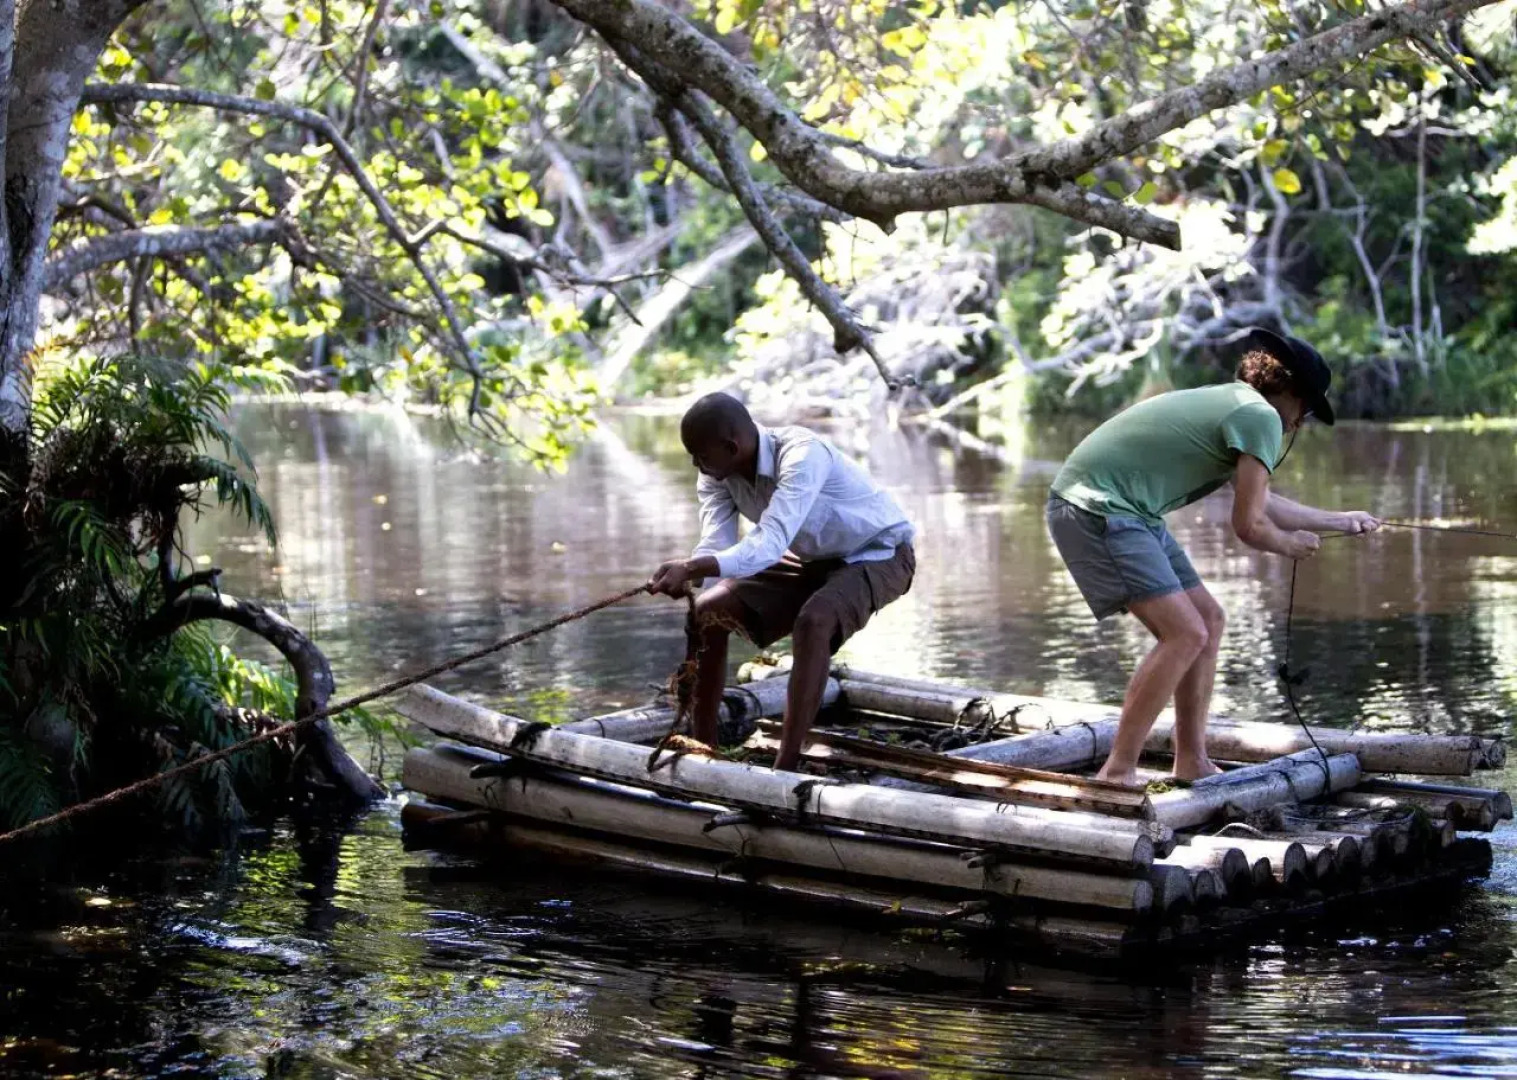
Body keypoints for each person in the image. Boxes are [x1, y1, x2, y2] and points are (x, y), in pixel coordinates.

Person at [1045, 328, 1380, 786]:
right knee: (1184, 633)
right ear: (1293, 392)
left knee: (1208, 618)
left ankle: (1192, 760)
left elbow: (1265, 503)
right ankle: (1117, 771)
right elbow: (1251, 526)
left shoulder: (1237, 403)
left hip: (1125, 510)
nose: (1300, 423)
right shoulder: (1259, 416)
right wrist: (1289, 545)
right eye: (1306, 411)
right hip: (1098, 508)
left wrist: (1340, 521)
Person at [648, 393, 916, 770]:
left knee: (814, 621)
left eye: (701, 456)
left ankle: (785, 766)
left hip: (880, 552)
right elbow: (717, 544)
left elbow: (769, 542)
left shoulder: (801, 455)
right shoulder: (716, 473)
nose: (696, 464)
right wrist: (695, 592)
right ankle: (702, 749)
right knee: (707, 614)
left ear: (731, 446)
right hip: (810, 556)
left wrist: (691, 569)